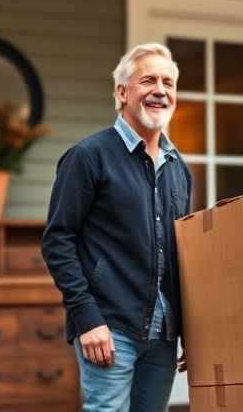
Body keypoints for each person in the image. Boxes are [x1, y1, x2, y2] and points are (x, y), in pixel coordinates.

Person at [42, 43, 192, 411]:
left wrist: (191, 330)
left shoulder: (179, 168)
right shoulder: (88, 157)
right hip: (108, 329)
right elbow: (58, 240)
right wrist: (87, 318)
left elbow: (180, 253)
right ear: (122, 93)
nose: (160, 90)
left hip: (163, 334)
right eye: (148, 80)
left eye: (168, 82)